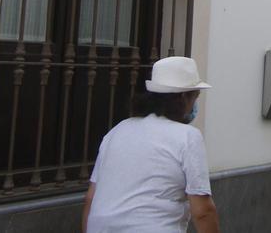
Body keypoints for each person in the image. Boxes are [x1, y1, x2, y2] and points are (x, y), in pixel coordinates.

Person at [82, 56, 221, 233]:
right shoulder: (188, 137)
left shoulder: (118, 131)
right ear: (185, 97)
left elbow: (90, 199)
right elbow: (203, 211)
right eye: (195, 96)